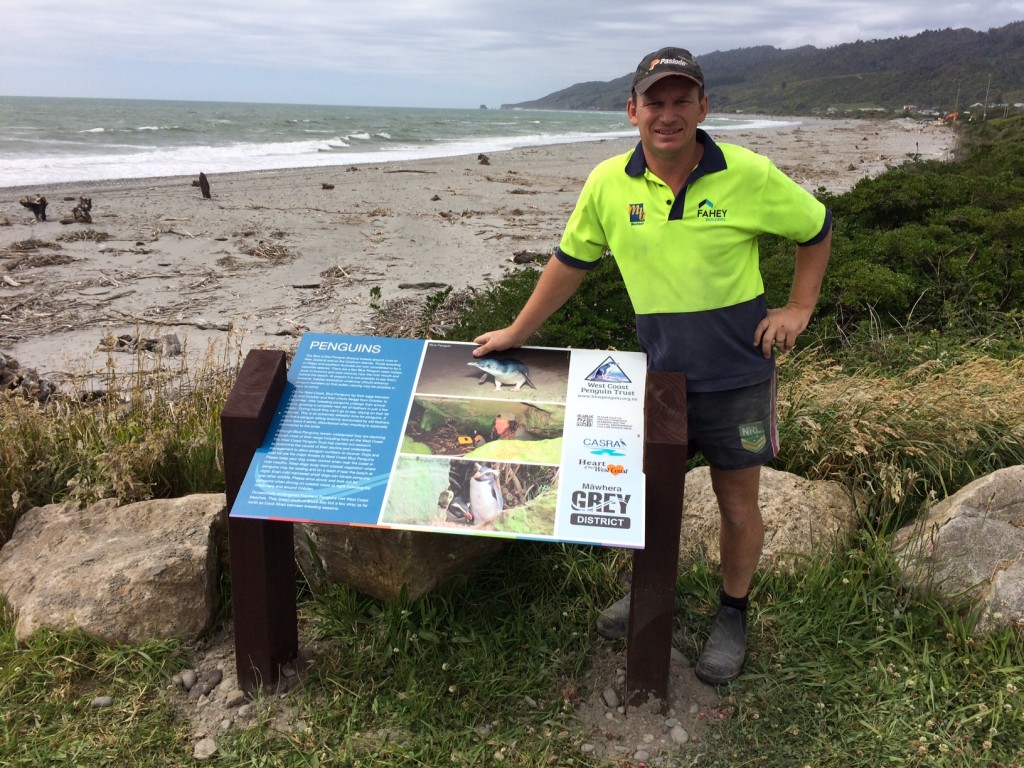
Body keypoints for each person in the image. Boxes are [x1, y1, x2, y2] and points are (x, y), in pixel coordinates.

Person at [472, 47, 831, 685]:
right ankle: (652, 594)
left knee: (738, 502)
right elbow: (570, 264)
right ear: (633, 109)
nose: (668, 115)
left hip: (740, 374)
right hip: (658, 379)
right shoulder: (609, 183)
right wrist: (517, 332)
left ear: (703, 107)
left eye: (681, 101)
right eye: (655, 102)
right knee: (649, 495)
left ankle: (732, 612)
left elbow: (815, 227)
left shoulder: (748, 172)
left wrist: (799, 308)